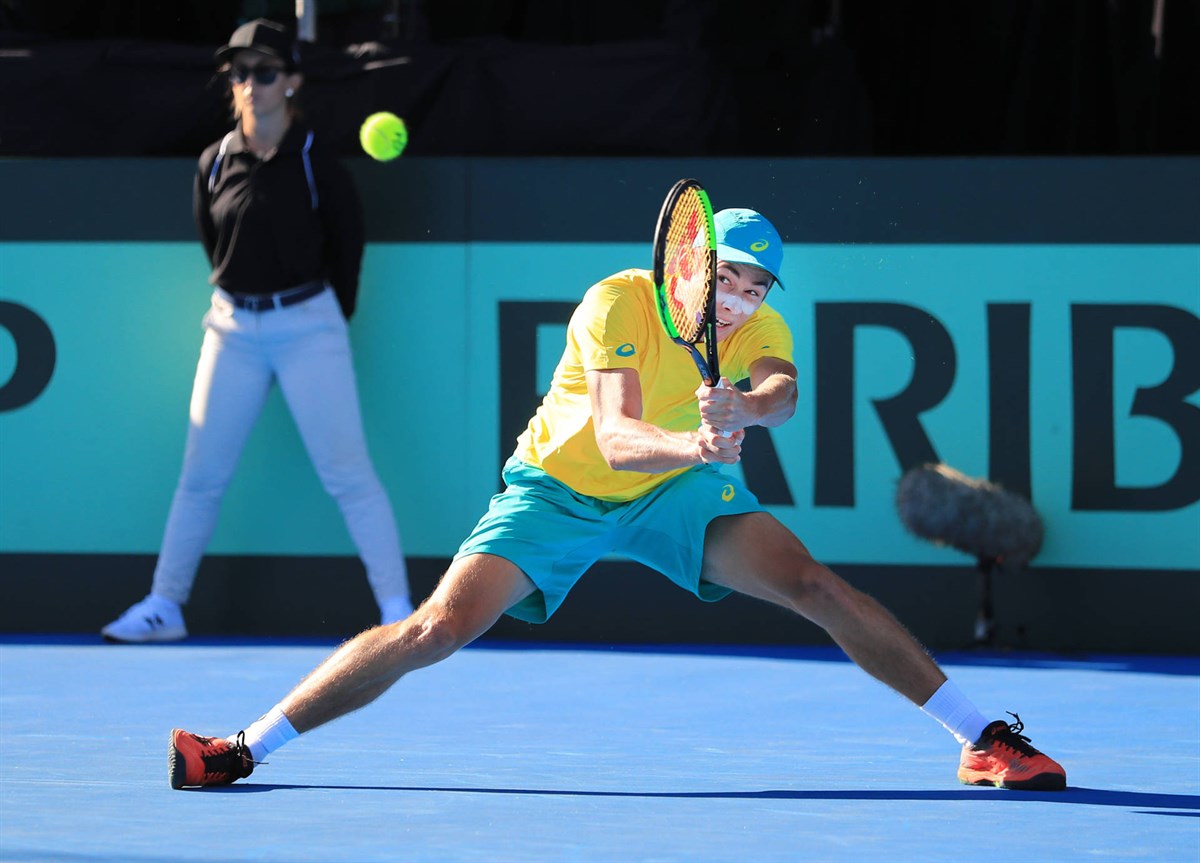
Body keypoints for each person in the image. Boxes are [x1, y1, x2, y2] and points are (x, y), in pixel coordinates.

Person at [167, 206, 1066, 792]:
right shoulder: (615, 303)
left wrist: (747, 405)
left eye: (758, 288)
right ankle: (243, 746)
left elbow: (783, 390)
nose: (743, 301)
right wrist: (695, 438)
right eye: (732, 280)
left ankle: (980, 736)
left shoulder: (757, 326)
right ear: (690, 265)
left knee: (813, 584)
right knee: (433, 629)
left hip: (677, 492)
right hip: (560, 488)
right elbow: (613, 437)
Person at [102, 19, 413, 643]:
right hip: (231, 330)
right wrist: (247, 308)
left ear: (292, 82)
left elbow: (346, 250)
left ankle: (400, 614)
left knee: (347, 471)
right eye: (239, 74)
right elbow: (214, 245)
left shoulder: (317, 164)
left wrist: (315, 318)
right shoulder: (213, 163)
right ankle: (165, 606)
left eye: (265, 72)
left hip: (310, 327)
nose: (250, 85)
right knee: (201, 475)